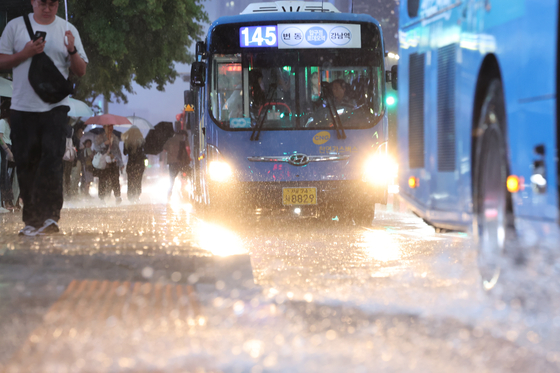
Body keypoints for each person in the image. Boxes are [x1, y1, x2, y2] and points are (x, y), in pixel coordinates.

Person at [0, 0, 88, 235]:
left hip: (55, 108)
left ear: (58, 4)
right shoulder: (15, 27)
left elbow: (81, 70)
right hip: (22, 108)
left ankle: (50, 217)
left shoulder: (67, 30)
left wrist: (72, 50)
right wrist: (25, 53)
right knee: (26, 163)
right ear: (33, 2)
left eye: (52, 3)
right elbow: (1, 61)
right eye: (42, 3)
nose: (47, 8)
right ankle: (32, 220)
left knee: (51, 160)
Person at [94, 125, 123, 204]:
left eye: (111, 126)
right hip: (103, 162)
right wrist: (104, 144)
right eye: (108, 126)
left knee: (115, 179)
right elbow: (96, 148)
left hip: (113, 161)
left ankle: (117, 196)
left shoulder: (115, 137)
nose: (110, 128)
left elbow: (117, 150)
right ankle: (102, 198)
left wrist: (120, 162)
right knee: (102, 179)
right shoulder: (99, 137)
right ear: (104, 127)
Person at [163, 131, 190, 200]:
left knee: (172, 179)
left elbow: (164, 149)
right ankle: (184, 192)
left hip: (172, 163)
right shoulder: (183, 140)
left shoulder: (170, 140)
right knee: (185, 176)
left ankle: (169, 193)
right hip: (181, 162)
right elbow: (187, 149)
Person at [122, 125, 146, 202]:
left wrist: (126, 144)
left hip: (131, 164)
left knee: (131, 180)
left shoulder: (127, 142)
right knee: (138, 180)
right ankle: (137, 195)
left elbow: (125, 153)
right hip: (139, 164)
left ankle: (131, 196)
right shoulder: (141, 141)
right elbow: (145, 151)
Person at [0, 99, 16, 211]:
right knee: (4, 175)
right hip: (4, 150)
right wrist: (7, 150)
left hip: (9, 148)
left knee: (9, 176)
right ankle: (6, 201)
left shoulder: (9, 123)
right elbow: (0, 137)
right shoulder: (2, 122)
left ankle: (10, 200)